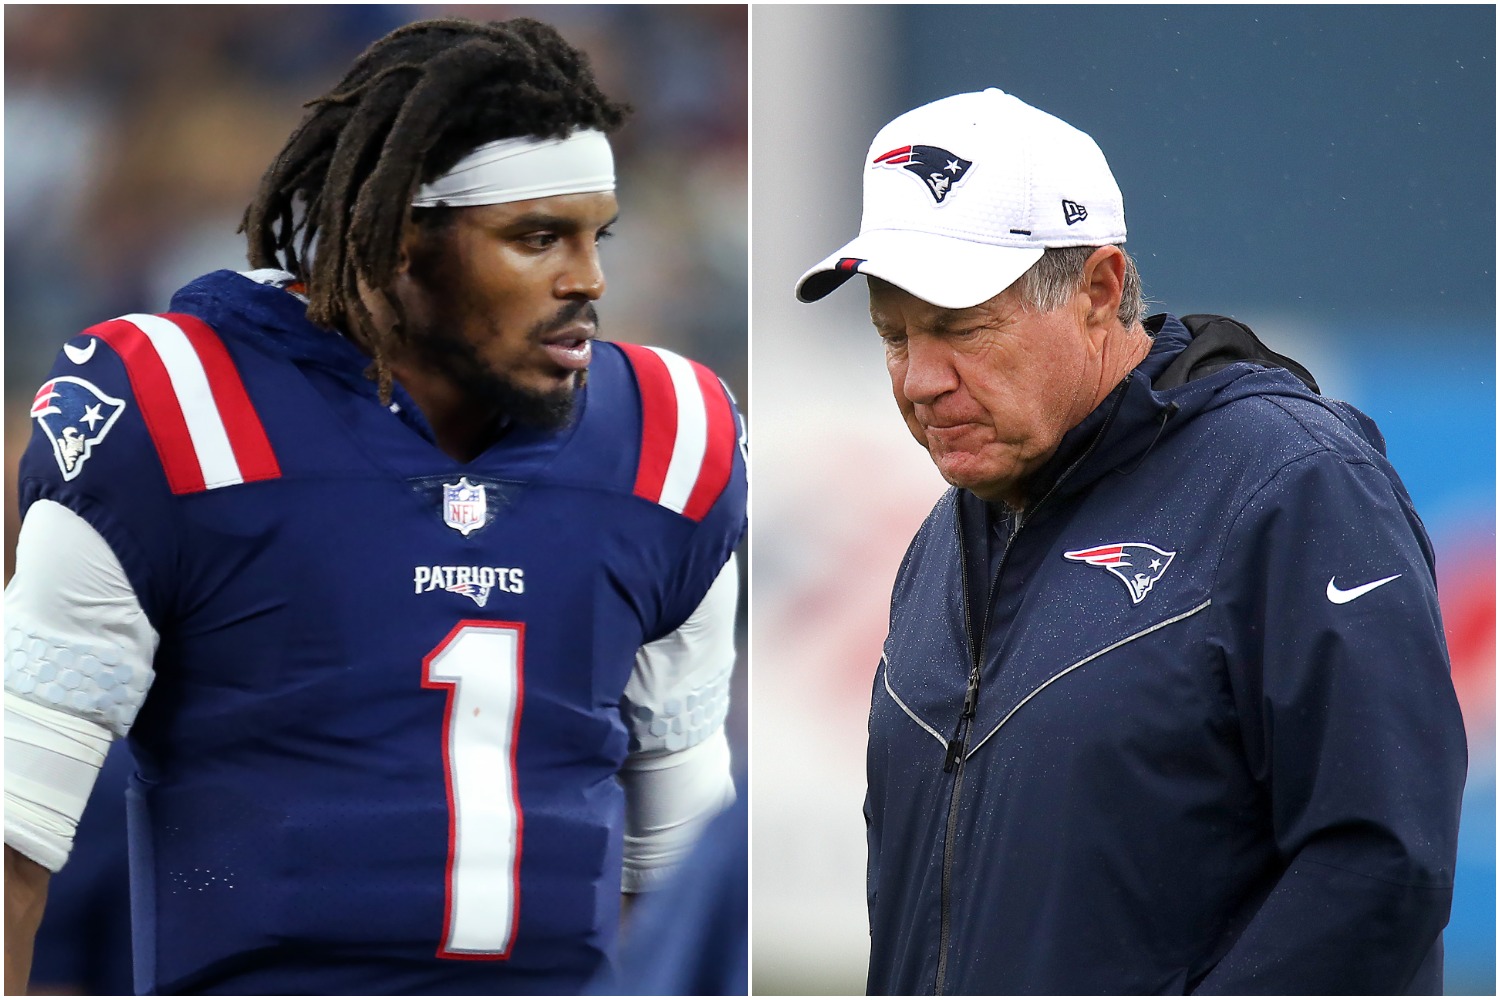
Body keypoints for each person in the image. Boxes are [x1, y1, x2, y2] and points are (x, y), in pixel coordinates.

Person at [5, 17, 746, 995]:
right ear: (399, 239)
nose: (588, 279)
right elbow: (17, 827)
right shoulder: (178, 407)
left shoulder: (668, 437)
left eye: (595, 233)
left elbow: (686, 869)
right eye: (537, 238)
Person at [795, 88, 1466, 995]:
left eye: (959, 329)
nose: (919, 379)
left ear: (1098, 290)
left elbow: (1381, 869)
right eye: (893, 336)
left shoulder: (1292, 487)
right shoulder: (945, 540)